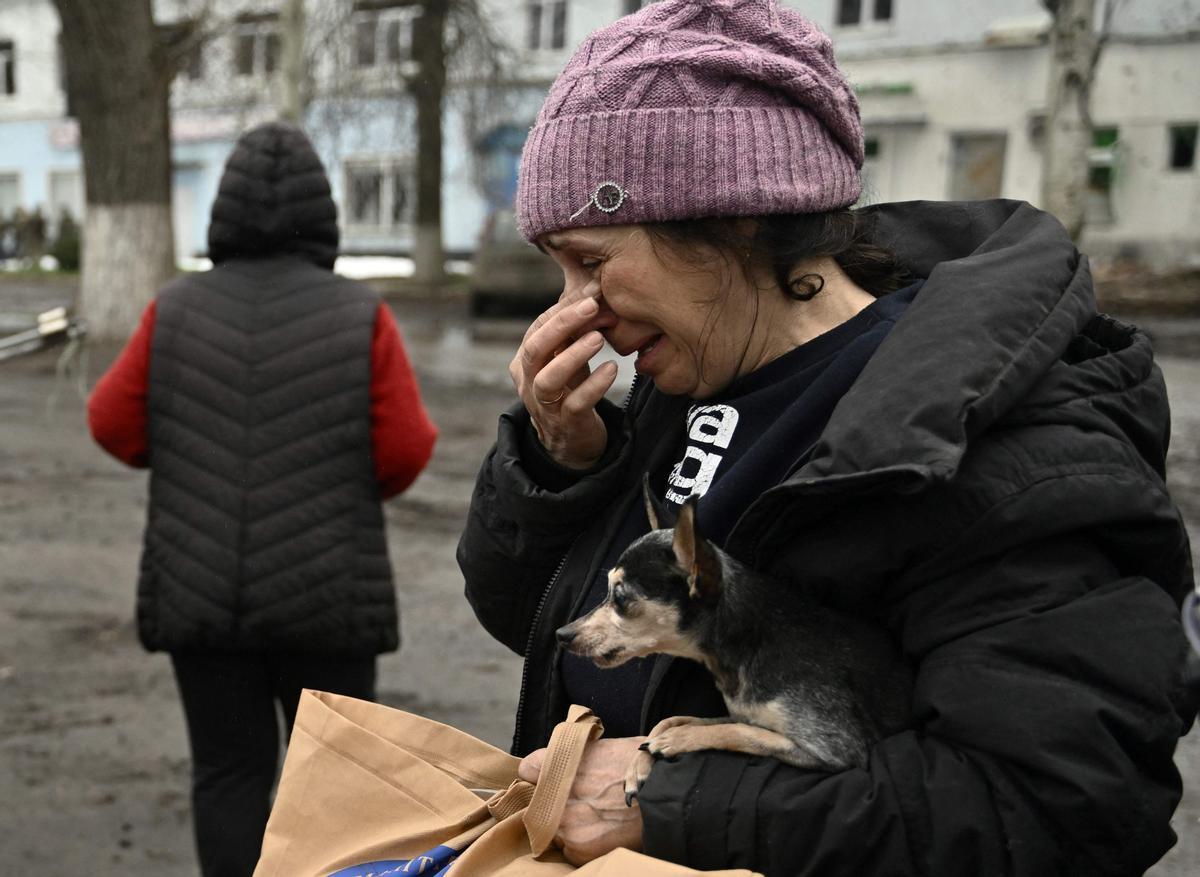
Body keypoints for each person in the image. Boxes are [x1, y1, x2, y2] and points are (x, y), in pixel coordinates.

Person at [456, 1, 1197, 873]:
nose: (573, 311)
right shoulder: (689, 373)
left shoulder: (990, 438)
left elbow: (1061, 805)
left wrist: (674, 803)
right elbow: (555, 634)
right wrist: (560, 462)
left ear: (732, 216)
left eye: (591, 260)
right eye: (558, 269)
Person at [88, 122, 437, 877]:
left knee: (228, 774)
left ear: (222, 213)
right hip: (329, 600)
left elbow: (111, 424)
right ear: (325, 215)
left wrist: (185, 454)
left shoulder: (173, 310)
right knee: (338, 786)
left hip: (203, 594)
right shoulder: (359, 314)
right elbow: (405, 452)